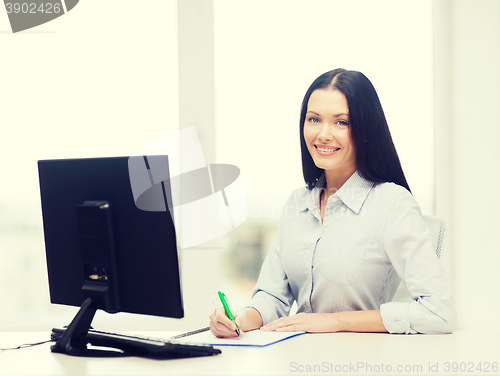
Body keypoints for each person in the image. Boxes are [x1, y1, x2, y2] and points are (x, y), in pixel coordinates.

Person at [209, 68, 456, 337]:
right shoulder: (298, 203)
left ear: (365, 129)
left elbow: (438, 312)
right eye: (314, 119)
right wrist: (240, 319)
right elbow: (272, 297)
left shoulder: (392, 204)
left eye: (341, 122)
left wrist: (336, 321)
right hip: (296, 359)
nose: (324, 134)